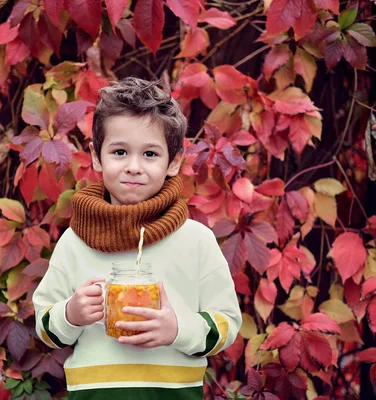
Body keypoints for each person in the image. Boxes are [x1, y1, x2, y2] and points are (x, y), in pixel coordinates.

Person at [33, 77, 242, 400]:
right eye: (119, 152)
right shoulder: (75, 242)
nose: (133, 167)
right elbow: (45, 327)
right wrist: (69, 314)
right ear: (97, 157)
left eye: (149, 154)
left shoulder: (195, 241)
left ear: (173, 162)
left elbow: (227, 324)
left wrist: (178, 330)